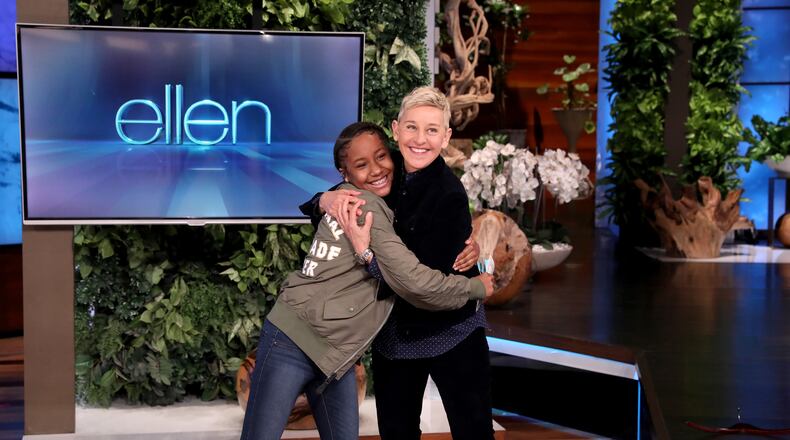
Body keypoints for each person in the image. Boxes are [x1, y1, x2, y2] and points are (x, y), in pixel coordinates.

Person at [239, 121, 494, 440]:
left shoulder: (391, 186)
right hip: (294, 340)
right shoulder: (364, 206)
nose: (376, 169)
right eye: (362, 165)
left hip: (339, 353)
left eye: (380, 157)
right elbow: (414, 282)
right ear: (345, 175)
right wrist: (477, 287)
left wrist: (463, 241)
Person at [313, 87, 495, 440]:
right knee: (396, 433)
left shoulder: (450, 195)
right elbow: (322, 209)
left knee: (472, 431)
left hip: (452, 331)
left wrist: (367, 255)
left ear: (446, 137)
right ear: (396, 130)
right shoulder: (382, 168)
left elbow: (420, 285)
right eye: (412, 128)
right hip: (394, 335)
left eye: (431, 130)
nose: (420, 139)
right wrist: (327, 198)